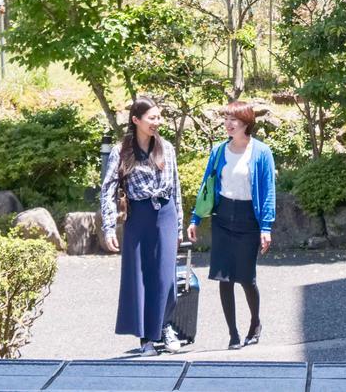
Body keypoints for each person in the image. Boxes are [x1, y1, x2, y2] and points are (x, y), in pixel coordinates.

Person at [187, 102, 276, 350]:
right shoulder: (218, 151)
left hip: (249, 217)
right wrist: (195, 218)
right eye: (225, 118)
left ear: (246, 123)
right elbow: (207, 186)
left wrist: (266, 227)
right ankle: (233, 333)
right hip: (223, 216)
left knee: (247, 278)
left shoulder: (261, 152)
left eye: (233, 119)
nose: (228, 123)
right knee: (224, 277)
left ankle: (255, 323)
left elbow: (268, 192)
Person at [100, 97, 183, 356]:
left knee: (166, 276)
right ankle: (146, 339)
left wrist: (179, 223)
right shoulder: (121, 150)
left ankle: (165, 327)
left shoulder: (166, 147)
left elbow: (177, 186)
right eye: (151, 118)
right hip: (138, 214)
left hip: (166, 212)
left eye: (159, 117)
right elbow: (108, 188)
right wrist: (108, 226)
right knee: (139, 276)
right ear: (136, 120)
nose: (156, 123)